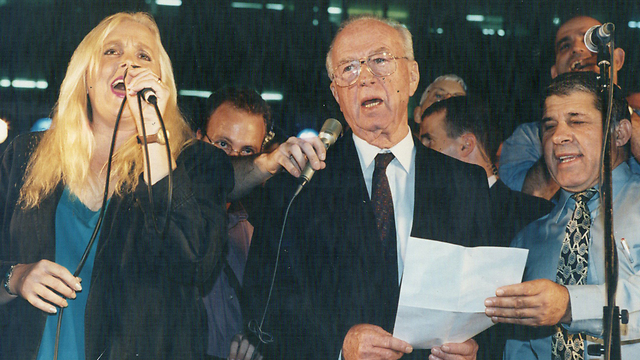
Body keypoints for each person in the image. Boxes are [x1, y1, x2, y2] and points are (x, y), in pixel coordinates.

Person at [0, 12, 323, 360]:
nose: (128, 63)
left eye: (143, 56)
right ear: (87, 74)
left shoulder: (195, 163)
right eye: (112, 51)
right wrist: (14, 278)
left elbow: (197, 264)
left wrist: (153, 132)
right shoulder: (25, 154)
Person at [243, 15, 496, 360]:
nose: (365, 78)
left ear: (412, 76)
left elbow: (490, 303)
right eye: (348, 68)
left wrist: (473, 350)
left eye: (380, 61)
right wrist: (338, 345)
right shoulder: (299, 184)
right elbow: (264, 301)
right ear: (336, 93)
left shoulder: (465, 183)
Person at [485, 72, 640, 359]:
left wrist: (571, 304)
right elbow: (519, 345)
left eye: (577, 121)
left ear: (620, 133)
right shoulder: (528, 238)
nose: (558, 136)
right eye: (549, 126)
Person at [498, 15, 626, 199]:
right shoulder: (529, 137)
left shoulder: (634, 122)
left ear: (617, 59)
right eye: (565, 46)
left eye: (592, 41)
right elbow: (524, 206)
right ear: (555, 72)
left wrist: (618, 108)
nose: (577, 49)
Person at [197, 86, 271, 360]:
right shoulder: (165, 220)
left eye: (247, 150)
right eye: (223, 144)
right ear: (197, 140)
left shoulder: (253, 235)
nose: (231, 163)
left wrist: (255, 341)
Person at [420, 96, 553, 246]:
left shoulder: (537, 215)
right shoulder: (424, 216)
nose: (421, 155)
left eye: (429, 142)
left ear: (466, 145)